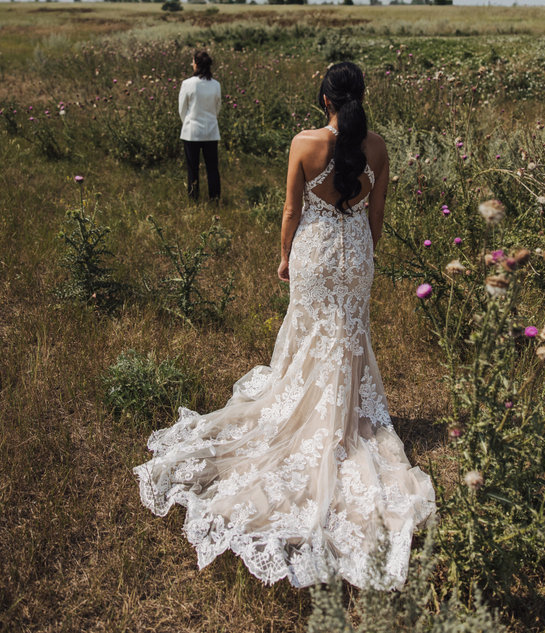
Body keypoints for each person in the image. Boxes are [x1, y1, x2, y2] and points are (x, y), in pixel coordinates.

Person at [135, 61, 435, 589]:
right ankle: (339, 416)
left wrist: (283, 257)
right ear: (361, 98)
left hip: (314, 254)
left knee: (311, 334)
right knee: (347, 338)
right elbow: (377, 217)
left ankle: (307, 411)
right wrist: (361, 255)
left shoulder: (303, 143)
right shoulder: (379, 148)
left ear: (325, 100)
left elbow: (291, 211)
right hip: (355, 256)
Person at [178, 51, 221, 201]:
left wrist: (187, 122)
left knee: (192, 169)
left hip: (192, 131)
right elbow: (217, 107)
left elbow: (182, 109)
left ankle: (193, 198)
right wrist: (211, 119)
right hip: (211, 132)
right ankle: (215, 198)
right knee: (212, 168)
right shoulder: (216, 85)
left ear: (196, 64)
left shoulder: (187, 84)